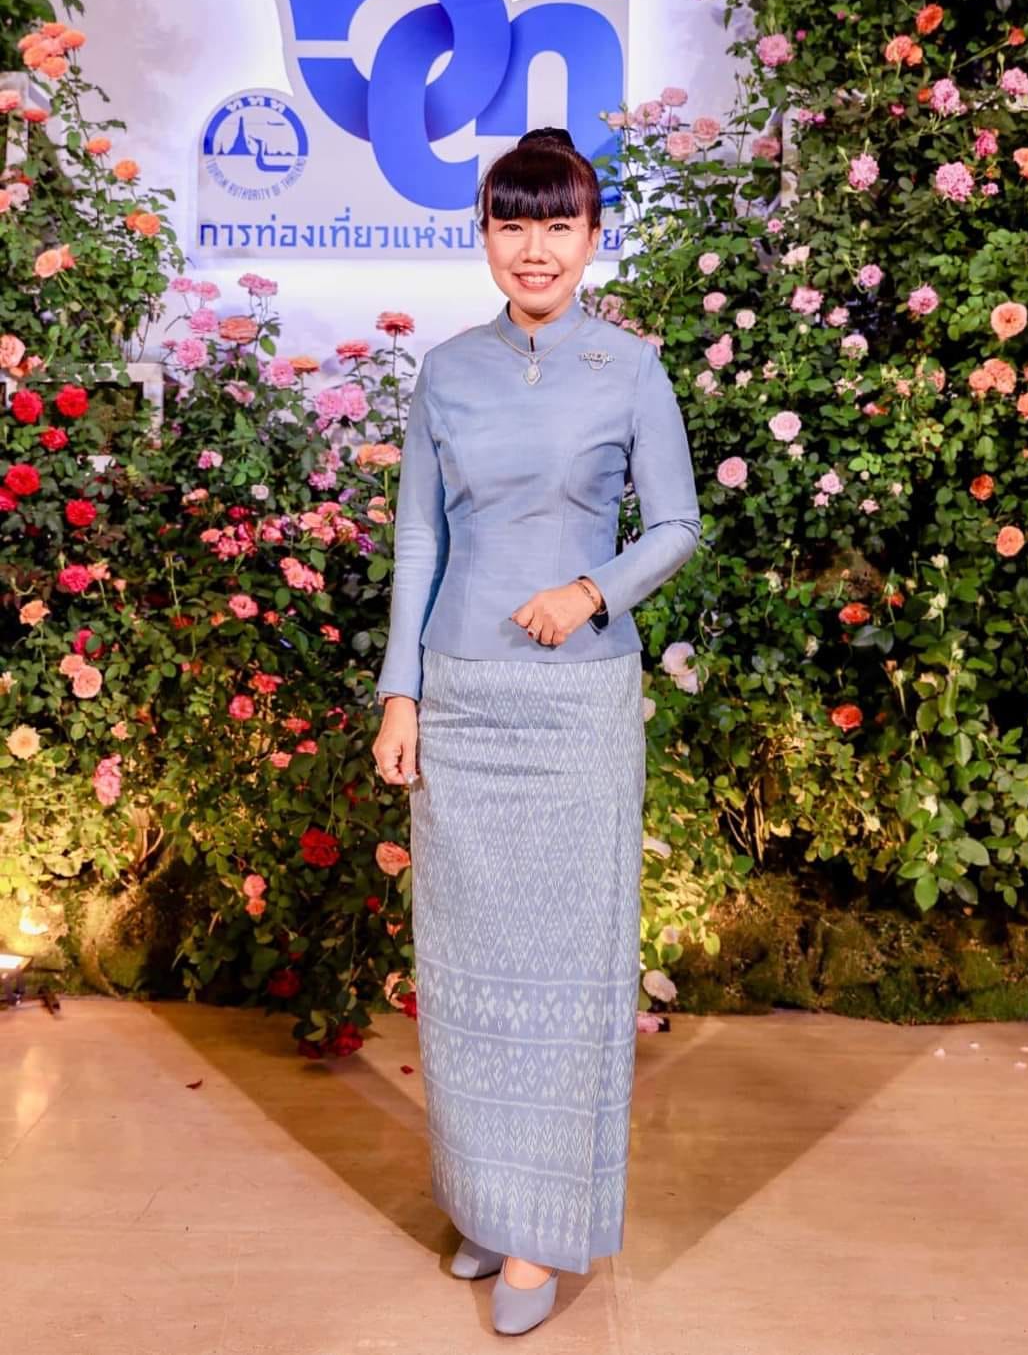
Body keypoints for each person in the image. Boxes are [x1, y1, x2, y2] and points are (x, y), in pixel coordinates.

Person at [372, 126, 701, 1336]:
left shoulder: (631, 368)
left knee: (565, 977)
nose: (535, 247)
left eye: (557, 223)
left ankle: (541, 1234)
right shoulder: (447, 370)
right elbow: (421, 538)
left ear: (593, 236)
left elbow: (676, 525)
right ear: (485, 237)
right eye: (512, 223)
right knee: (467, 979)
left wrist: (591, 591)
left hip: (577, 708)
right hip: (462, 699)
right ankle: (488, 1200)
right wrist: (400, 692)